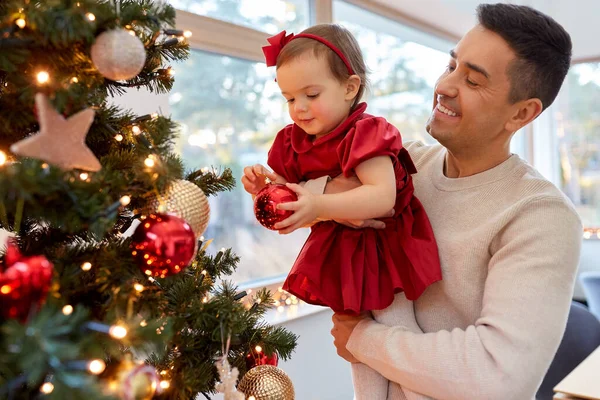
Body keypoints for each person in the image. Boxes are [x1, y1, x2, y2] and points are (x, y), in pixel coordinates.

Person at [325, 3, 583, 399]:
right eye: (451, 66)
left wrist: (363, 339)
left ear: (522, 113)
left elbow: (497, 376)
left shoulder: (540, 216)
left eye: (474, 81)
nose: (445, 86)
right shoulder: (397, 169)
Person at [241, 24, 442, 399]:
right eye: (288, 98)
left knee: (395, 332)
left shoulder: (366, 132)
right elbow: (288, 194)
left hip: (383, 250)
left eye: (311, 94)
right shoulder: (292, 141)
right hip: (341, 251)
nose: (298, 108)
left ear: (350, 88)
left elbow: (381, 197)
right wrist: (263, 187)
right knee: (354, 344)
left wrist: (318, 203)